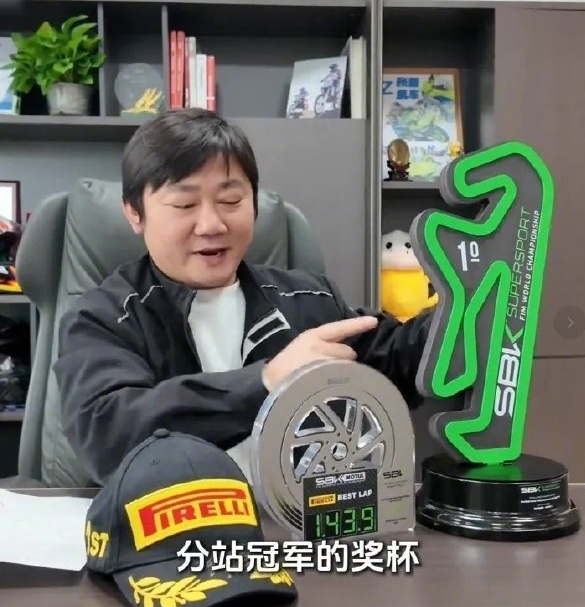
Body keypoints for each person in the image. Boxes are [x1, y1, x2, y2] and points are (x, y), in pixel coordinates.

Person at [53, 108, 434, 487]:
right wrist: (267, 381)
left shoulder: (309, 299)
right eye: (185, 205)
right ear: (135, 213)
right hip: (178, 519)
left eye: (231, 201)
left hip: (294, 519)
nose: (211, 225)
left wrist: (463, 305)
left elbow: (404, 359)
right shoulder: (103, 317)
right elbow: (109, 435)